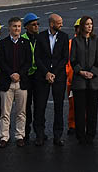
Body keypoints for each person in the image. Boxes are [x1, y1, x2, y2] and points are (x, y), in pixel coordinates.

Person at [33, 13, 70, 146]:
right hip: (43, 77)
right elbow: (37, 57)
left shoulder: (64, 37)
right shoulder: (41, 37)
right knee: (40, 107)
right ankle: (40, 135)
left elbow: (65, 58)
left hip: (58, 77)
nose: (61, 24)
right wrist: (46, 73)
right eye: (59, 22)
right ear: (51, 24)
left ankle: (58, 135)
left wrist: (53, 73)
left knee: (59, 107)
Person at [0, 16, 32, 147]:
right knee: (5, 113)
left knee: (21, 112)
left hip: (22, 83)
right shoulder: (3, 43)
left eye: (18, 26)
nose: (17, 29)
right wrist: (11, 74)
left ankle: (19, 135)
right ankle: (4, 137)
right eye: (14, 26)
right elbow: (0, 62)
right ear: (9, 28)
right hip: (7, 82)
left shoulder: (26, 43)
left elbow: (29, 62)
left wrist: (19, 74)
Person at [70, 15, 98, 145]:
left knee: (92, 109)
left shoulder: (96, 40)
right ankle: (80, 135)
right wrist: (81, 71)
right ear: (82, 26)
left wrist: (92, 73)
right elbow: (73, 60)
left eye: (91, 24)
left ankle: (91, 134)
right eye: (87, 24)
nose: (89, 26)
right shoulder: (76, 41)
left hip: (93, 80)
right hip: (80, 80)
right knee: (79, 110)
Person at [21, 13, 40, 140]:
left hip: (38, 76)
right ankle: (25, 132)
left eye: (37, 24)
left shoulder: (41, 38)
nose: (36, 27)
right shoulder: (22, 39)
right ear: (27, 26)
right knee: (25, 107)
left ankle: (39, 133)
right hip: (26, 76)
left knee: (39, 106)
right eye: (33, 25)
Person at [66, 18, 81, 134]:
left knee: (85, 104)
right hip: (72, 80)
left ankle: (83, 124)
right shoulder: (70, 44)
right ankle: (72, 125)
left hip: (85, 79)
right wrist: (69, 75)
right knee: (72, 104)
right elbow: (66, 62)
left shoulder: (90, 42)